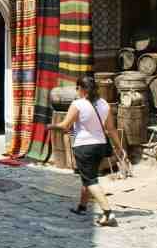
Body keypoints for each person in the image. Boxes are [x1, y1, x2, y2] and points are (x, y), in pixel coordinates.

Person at [47, 75, 123, 227]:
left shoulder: (78, 104)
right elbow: (111, 129)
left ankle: (108, 213)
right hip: (100, 146)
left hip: (84, 147)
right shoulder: (104, 104)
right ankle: (82, 207)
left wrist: (50, 127)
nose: (76, 91)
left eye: (77, 88)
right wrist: (120, 148)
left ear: (81, 89)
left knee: (90, 180)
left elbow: (65, 126)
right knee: (89, 176)